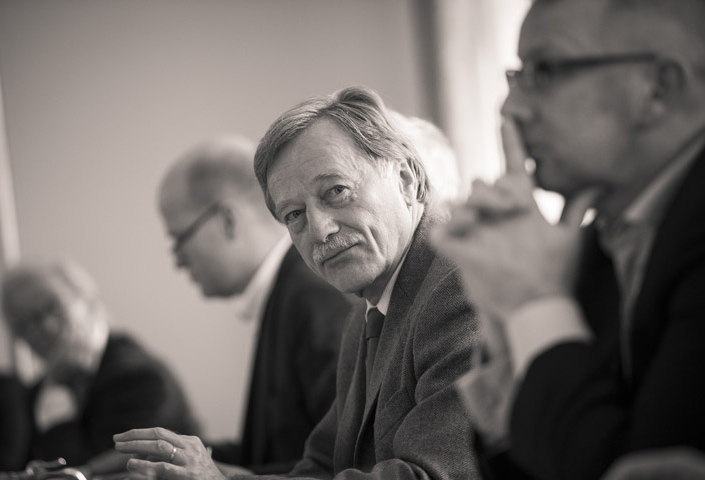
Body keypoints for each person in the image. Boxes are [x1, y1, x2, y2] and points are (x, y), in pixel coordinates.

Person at [114, 86, 480, 479]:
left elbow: (426, 476)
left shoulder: (463, 287)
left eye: (336, 191)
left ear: (405, 179)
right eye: (294, 214)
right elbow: (319, 468)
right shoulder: (365, 315)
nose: (319, 230)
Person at [430, 0, 705, 479]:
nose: (510, 108)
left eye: (545, 71)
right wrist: (504, 321)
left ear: (659, 88)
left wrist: (534, 301)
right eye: (516, 76)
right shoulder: (598, 240)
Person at [156, 135, 351, 474]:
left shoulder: (313, 300)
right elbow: (272, 452)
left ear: (227, 220)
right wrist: (177, 456)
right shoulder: (287, 293)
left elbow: (341, 462)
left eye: (179, 240)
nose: (178, 261)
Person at [0, 259, 199, 478]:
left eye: (51, 307)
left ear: (88, 300)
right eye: (24, 324)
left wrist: (56, 404)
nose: (44, 328)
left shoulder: (140, 379)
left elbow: (90, 475)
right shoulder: (34, 393)